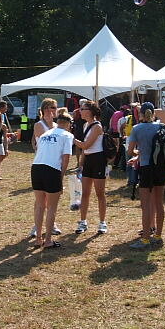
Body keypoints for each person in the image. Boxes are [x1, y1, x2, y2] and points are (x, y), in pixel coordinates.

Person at [31, 112, 74, 248]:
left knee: (40, 205)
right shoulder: (67, 135)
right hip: (52, 169)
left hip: (36, 167)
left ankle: (38, 238)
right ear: (68, 124)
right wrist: (60, 178)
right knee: (51, 207)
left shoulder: (46, 133)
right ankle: (48, 240)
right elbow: (66, 158)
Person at [127, 102, 165, 249]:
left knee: (146, 205)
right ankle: (158, 236)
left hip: (146, 167)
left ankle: (145, 239)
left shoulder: (137, 128)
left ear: (141, 114)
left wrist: (139, 153)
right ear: (153, 113)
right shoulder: (161, 126)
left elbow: (130, 151)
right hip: (160, 168)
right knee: (159, 203)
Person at [28, 98, 62, 238]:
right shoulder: (39, 125)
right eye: (47, 108)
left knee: (52, 199)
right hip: (41, 164)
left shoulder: (58, 125)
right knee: (40, 200)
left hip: (55, 165)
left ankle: (51, 224)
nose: (50, 110)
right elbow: (46, 138)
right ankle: (37, 226)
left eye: (52, 107)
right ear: (42, 110)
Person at [73, 100, 108, 235]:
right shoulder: (85, 125)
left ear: (90, 111)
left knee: (100, 193)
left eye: (82, 109)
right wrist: (80, 165)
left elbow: (86, 145)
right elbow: (84, 150)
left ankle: (102, 222)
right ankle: (83, 221)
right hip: (88, 160)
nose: (80, 111)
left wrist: (71, 139)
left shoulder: (97, 126)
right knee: (85, 193)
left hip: (98, 160)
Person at [72, 98, 88, 168]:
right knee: (84, 146)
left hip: (78, 130)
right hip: (85, 129)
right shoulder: (87, 111)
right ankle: (82, 162)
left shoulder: (75, 111)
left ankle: (78, 162)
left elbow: (73, 120)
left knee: (77, 147)